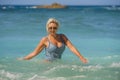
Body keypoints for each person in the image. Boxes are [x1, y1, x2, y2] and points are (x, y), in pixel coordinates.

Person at [19, 18, 88, 63]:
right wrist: (23, 59)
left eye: (54, 28)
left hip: (57, 65)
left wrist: (81, 57)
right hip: (47, 65)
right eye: (50, 28)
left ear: (57, 28)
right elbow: (34, 53)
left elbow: (71, 47)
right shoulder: (45, 40)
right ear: (47, 28)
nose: (52, 30)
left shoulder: (62, 37)